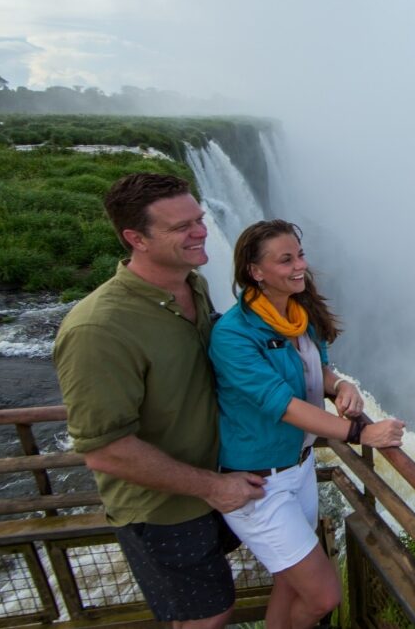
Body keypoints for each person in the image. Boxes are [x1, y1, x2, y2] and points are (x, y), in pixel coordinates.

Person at [53, 173, 267, 629]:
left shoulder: (193, 285)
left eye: (200, 218)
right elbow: (105, 450)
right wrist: (212, 487)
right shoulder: (98, 330)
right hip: (165, 509)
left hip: (216, 481)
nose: (201, 231)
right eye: (181, 227)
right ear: (136, 238)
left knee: (210, 606)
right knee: (206, 617)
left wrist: (322, 375)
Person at [209, 219, 405, 629]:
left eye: (300, 254)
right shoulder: (234, 334)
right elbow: (284, 406)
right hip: (258, 482)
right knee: (322, 595)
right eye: (286, 259)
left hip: (298, 469)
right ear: (254, 271)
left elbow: (319, 371)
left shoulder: (299, 316)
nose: (300, 265)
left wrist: (341, 384)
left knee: (289, 583)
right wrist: (361, 433)